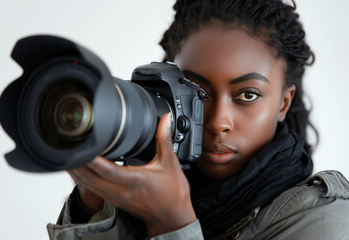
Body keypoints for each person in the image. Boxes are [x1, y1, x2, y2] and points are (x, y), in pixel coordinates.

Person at [47, 0, 349, 239]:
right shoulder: (138, 191)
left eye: (247, 95)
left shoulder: (325, 224)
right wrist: (93, 206)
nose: (218, 122)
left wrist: (171, 224)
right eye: (197, 93)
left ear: (284, 102)